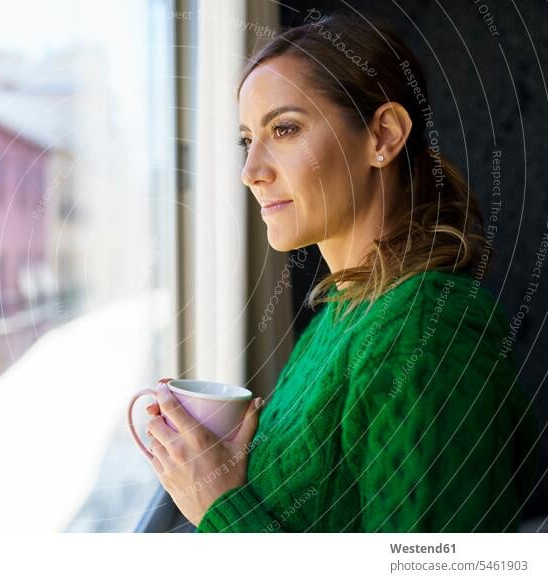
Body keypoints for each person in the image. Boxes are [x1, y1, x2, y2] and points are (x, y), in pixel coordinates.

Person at [142, 13, 540, 532]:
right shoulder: (338, 317)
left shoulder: (421, 328)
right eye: (246, 140)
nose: (251, 171)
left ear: (384, 135)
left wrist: (220, 509)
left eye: (283, 129)